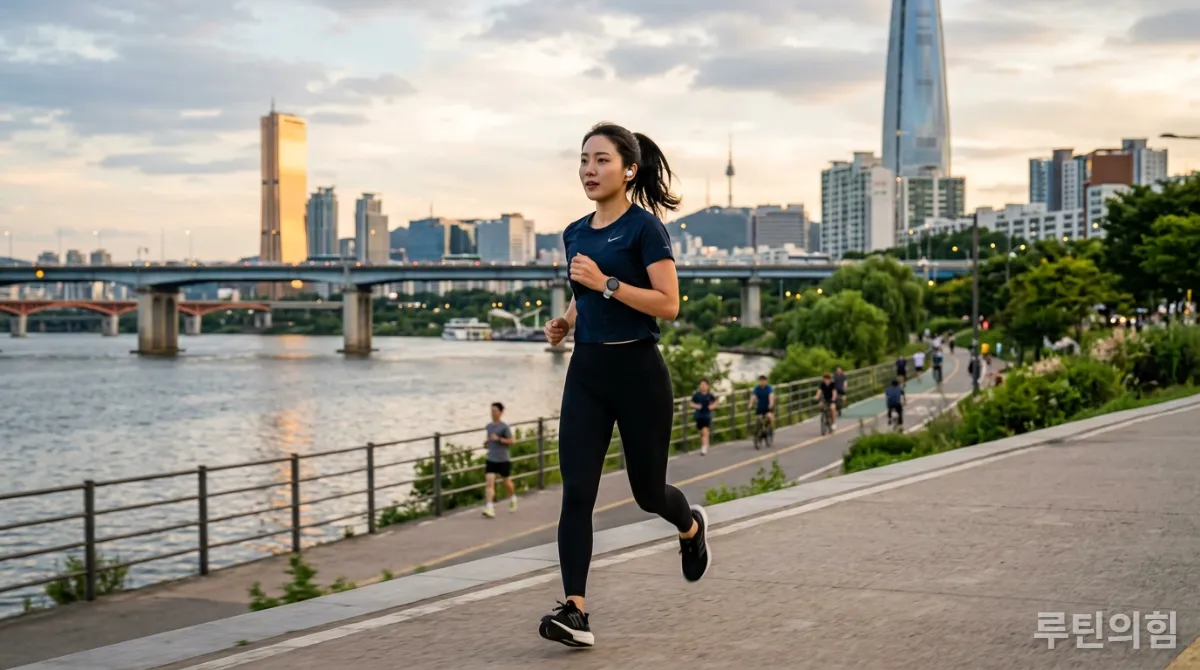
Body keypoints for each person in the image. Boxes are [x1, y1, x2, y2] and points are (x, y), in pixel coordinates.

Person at [539, 122, 709, 648]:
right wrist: (568, 320)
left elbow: (669, 305)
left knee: (648, 493)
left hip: (639, 373)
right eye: (584, 160)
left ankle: (691, 528)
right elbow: (583, 291)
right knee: (577, 495)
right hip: (587, 373)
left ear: (629, 170)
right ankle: (576, 610)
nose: (589, 170)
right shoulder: (575, 231)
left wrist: (606, 284)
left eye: (602, 160)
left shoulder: (645, 230)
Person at [482, 402, 516, 518]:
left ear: (501, 412)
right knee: (489, 483)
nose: (493, 413)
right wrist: (487, 443)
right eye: (491, 411)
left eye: (495, 411)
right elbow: (489, 439)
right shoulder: (489, 426)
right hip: (491, 458)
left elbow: (512, 441)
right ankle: (490, 507)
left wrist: (499, 439)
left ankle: (512, 497)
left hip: (503, 459)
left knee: (506, 482)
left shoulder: (504, 427)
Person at [691, 379, 720, 456]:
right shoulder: (696, 395)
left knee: (705, 431)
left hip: (707, 415)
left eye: (704, 385)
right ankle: (705, 444)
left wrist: (712, 406)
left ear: (707, 386)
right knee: (701, 432)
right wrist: (696, 406)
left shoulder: (710, 395)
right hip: (698, 415)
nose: (703, 386)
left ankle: (704, 447)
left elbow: (716, 402)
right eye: (701, 385)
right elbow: (691, 403)